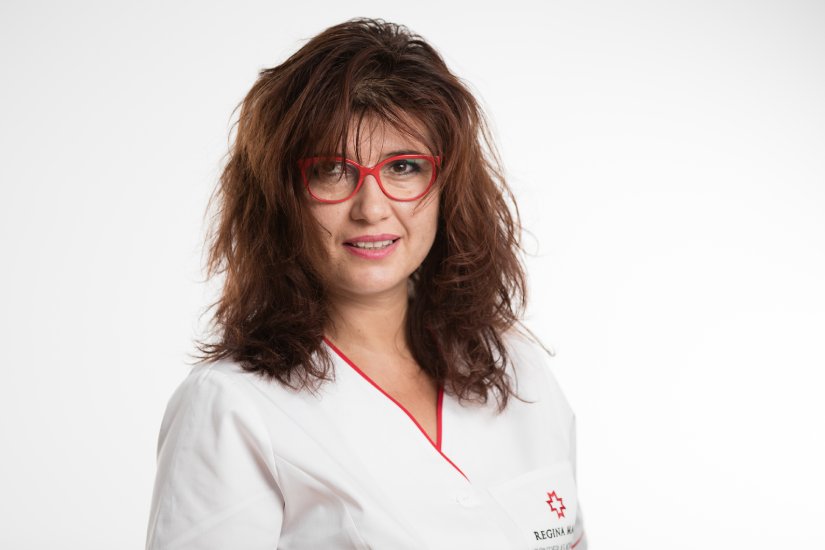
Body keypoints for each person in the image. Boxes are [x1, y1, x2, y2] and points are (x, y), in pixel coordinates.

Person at [146, 18, 587, 550]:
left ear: (446, 186)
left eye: (404, 167)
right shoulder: (231, 407)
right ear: (281, 197)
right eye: (332, 170)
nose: (372, 208)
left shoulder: (519, 369)